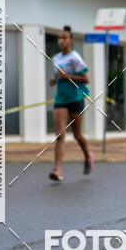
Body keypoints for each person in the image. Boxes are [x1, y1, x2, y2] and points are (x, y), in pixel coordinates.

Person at [49, 26, 94, 181]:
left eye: (64, 38)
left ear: (70, 40)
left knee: (77, 134)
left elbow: (86, 79)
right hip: (60, 99)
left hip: (76, 98)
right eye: (59, 38)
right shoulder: (55, 58)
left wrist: (66, 76)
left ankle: (88, 156)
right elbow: (58, 76)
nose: (61, 41)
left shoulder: (75, 58)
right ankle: (57, 170)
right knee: (60, 134)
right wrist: (54, 79)